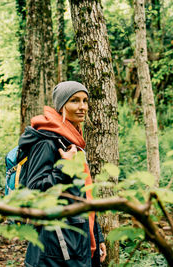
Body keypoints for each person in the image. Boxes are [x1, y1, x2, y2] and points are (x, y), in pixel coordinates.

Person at [18, 81, 107, 267]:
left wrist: (97, 236)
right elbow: (34, 191)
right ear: (61, 105)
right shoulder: (46, 142)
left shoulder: (71, 140)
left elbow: (83, 195)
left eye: (85, 100)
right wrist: (64, 167)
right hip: (55, 249)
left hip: (77, 241)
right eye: (74, 100)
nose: (82, 107)